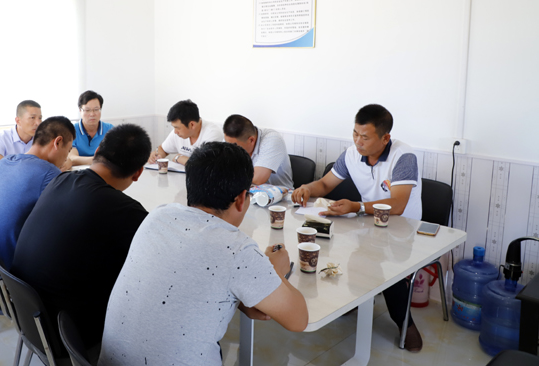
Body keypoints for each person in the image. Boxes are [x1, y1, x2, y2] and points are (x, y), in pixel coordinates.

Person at [99, 142, 308, 365]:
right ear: (241, 198)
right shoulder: (236, 249)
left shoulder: (158, 216)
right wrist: (274, 272)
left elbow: (186, 274)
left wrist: (239, 296)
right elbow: (299, 320)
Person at [291, 103, 424, 351]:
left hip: (402, 229)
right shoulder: (351, 154)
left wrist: (356, 206)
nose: (357, 142)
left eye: (365, 137)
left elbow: (398, 204)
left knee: (389, 272)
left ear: (385, 138)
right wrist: (307, 188)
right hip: (368, 224)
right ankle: (357, 299)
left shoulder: (403, 156)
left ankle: (405, 324)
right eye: (355, 133)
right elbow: (325, 184)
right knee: (336, 248)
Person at [11, 123, 152, 351]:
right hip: (68, 334)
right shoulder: (126, 211)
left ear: (97, 152)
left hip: (27, 316)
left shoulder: (60, 180)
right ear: (138, 173)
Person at [0, 116, 75, 269]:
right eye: (68, 150)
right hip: (15, 270)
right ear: (57, 142)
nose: (66, 158)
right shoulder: (50, 173)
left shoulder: (5, 162)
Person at [223, 114, 294, 188]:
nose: (230, 149)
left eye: (234, 146)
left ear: (251, 140)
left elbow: (258, 179)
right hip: (247, 192)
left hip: (281, 193)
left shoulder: (272, 139)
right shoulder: (230, 140)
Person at [147, 99, 223, 166]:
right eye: (174, 127)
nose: (175, 132)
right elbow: (163, 149)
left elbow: (203, 165)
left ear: (192, 125)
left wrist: (178, 158)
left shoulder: (213, 133)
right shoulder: (178, 133)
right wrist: (156, 156)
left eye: (177, 128)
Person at [0, 100, 43, 170]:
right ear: (18, 121)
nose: (38, 123)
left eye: (40, 118)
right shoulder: (1, 139)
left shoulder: (43, 140)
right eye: (32, 118)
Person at [69, 90, 114, 166]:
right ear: (80, 110)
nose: (92, 114)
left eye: (96, 109)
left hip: (103, 170)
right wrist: (98, 160)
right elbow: (72, 158)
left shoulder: (110, 129)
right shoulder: (71, 130)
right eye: (87, 110)